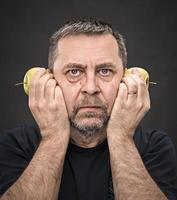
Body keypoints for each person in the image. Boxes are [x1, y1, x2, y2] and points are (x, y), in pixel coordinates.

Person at [0, 18, 177, 200]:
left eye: (105, 71)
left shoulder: (155, 147)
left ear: (127, 78)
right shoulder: (16, 145)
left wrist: (122, 136)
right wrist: (53, 137)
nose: (91, 88)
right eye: (74, 72)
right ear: (47, 81)